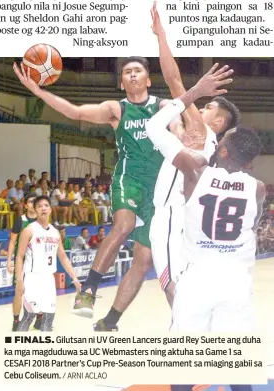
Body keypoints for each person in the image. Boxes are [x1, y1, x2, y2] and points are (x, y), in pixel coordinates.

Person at [13, 53, 232, 321]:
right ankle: (88, 291)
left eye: (137, 70)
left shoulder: (162, 105)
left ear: (148, 80)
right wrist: (37, 90)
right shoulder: (116, 109)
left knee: (143, 260)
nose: (131, 74)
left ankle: (113, 320)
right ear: (121, 83)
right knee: (123, 225)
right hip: (129, 180)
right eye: (127, 71)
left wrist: (179, 133)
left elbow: (175, 124)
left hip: (159, 193)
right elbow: (74, 111)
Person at [145, 97, 265, 332]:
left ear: (221, 151)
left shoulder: (196, 175)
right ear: (250, 163)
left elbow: (153, 127)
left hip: (198, 278)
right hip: (236, 280)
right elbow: (252, 225)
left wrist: (188, 100)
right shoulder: (257, 188)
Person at [149, 2, 240, 306]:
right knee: (171, 283)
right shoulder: (204, 139)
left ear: (217, 122)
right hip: (176, 214)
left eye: (208, 106)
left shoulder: (203, 130)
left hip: (172, 213)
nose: (201, 107)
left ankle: (190, 338)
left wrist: (161, 36)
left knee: (173, 286)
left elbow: (175, 81)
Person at [15, 196, 81, 331]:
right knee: (28, 317)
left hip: (49, 280)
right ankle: (17, 348)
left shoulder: (55, 232)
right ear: (35, 210)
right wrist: (19, 280)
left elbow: (63, 257)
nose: (43, 208)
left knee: (48, 320)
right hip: (32, 278)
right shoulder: (29, 230)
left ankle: (45, 350)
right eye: (39, 206)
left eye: (46, 205)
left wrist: (74, 278)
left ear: (51, 209)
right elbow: (19, 256)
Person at [6, 193, 39, 331]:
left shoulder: (42, 221)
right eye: (30, 202)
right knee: (19, 292)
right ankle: (16, 321)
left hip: (38, 263)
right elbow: (12, 242)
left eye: (35, 202)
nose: (33, 204)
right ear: (26, 205)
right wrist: (9, 261)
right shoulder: (21, 220)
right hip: (22, 261)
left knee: (38, 292)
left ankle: (39, 318)